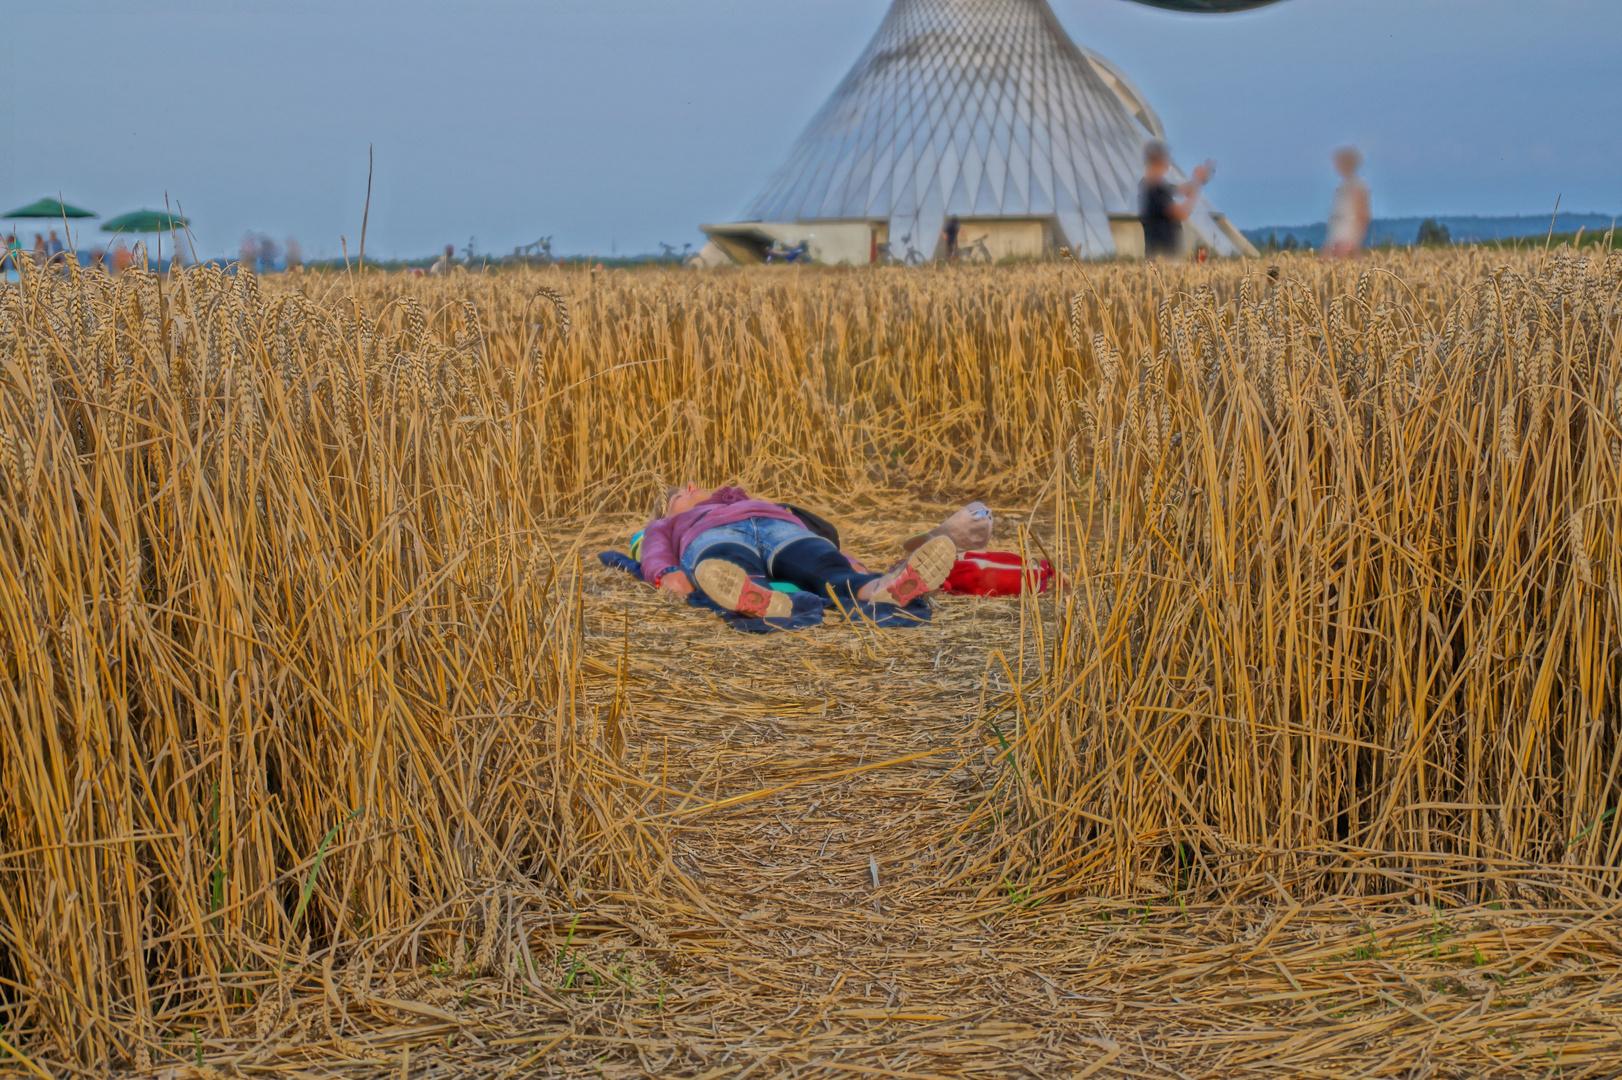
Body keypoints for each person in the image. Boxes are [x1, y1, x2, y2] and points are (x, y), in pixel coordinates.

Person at [640, 482, 957, 619]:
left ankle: (880, 587)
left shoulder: (752, 500)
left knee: (824, 564)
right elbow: (654, 551)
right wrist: (667, 573)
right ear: (668, 514)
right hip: (714, 534)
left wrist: (850, 562)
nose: (691, 487)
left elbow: (807, 530)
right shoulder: (672, 523)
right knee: (724, 560)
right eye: (680, 495)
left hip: (781, 528)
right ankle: (756, 598)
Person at [1139, 140, 1213, 260]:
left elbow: (1183, 189)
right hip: (1163, 258)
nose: (1168, 162)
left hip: (1162, 257)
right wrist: (1198, 184)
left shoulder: (1153, 185)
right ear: (1158, 160)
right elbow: (1181, 214)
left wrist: (1197, 180)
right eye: (1166, 157)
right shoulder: (1153, 188)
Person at [1322, 146, 1371, 260]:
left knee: (1344, 259)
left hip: (1348, 229)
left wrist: (1357, 234)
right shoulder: (1344, 185)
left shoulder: (1358, 185)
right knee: (1330, 260)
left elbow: (1362, 212)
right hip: (1338, 228)